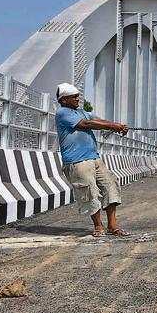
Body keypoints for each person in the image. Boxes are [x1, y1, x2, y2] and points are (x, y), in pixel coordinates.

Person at [55, 83, 130, 237]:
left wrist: (117, 126)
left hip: (94, 158)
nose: (77, 99)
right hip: (77, 161)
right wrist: (112, 125)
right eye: (73, 97)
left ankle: (112, 225)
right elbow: (86, 124)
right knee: (88, 192)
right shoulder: (62, 113)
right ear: (63, 100)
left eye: (77, 96)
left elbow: (96, 120)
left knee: (110, 186)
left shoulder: (82, 112)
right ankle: (98, 226)